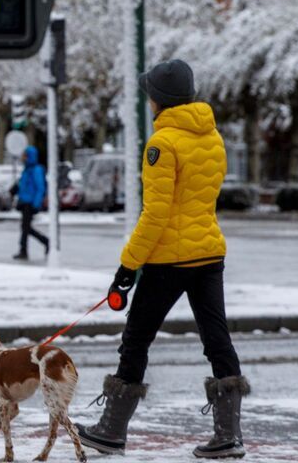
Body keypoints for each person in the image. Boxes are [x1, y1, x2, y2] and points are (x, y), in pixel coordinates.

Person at [76, 60, 248, 459]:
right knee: (217, 339)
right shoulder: (212, 138)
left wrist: (127, 265)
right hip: (208, 253)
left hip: (169, 259)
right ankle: (229, 434)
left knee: (136, 339)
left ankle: (112, 430)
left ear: (159, 99)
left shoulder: (161, 144)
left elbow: (155, 215)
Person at [12, 145, 49, 260]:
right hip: (24, 202)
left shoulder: (36, 170)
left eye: (25, 155)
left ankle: (27, 249)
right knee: (25, 227)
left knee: (25, 227)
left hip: (30, 203)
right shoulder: (27, 170)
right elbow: (24, 186)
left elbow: (40, 188)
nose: (23, 158)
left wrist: (36, 204)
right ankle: (27, 249)